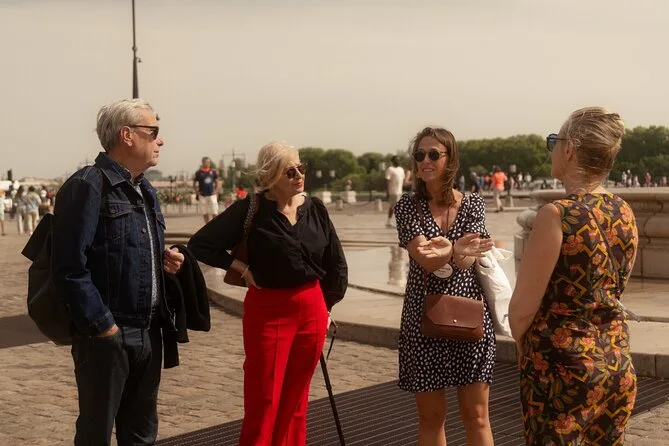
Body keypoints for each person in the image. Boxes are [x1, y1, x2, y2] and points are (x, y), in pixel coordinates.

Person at [188, 142, 348, 446]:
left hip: (312, 308)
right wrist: (241, 268)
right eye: (290, 171)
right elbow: (200, 245)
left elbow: (335, 264)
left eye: (301, 168)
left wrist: (326, 307)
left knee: (296, 401)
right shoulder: (252, 209)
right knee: (264, 399)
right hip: (268, 311)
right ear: (270, 176)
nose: (299, 175)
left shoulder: (315, 208)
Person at [51, 99, 184, 445]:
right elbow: (68, 267)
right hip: (108, 335)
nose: (160, 140)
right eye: (153, 131)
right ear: (127, 135)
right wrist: (104, 327)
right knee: (96, 434)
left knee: (141, 434)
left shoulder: (146, 190)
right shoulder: (88, 185)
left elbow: (126, 249)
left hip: (149, 331)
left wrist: (163, 260)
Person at [509, 107, 639, 445]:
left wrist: (523, 342)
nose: (551, 148)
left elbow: (522, 308)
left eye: (554, 140)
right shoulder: (624, 211)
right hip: (615, 361)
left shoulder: (556, 215)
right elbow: (614, 289)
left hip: (563, 370)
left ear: (569, 149)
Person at [393, 126, 495, 446]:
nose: (425, 160)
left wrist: (453, 253)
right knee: (431, 417)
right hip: (423, 320)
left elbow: (467, 260)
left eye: (433, 154)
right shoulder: (407, 207)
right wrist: (455, 249)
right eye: (419, 154)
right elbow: (426, 259)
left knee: (477, 417)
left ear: (449, 159)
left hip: (470, 316)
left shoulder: (473, 203)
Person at [193, 156, 220, 223]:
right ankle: (207, 226)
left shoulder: (213, 172)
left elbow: (217, 182)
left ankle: (216, 225)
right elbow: (194, 183)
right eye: (206, 162)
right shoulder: (198, 172)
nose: (208, 163)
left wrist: (216, 191)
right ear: (203, 163)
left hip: (212, 195)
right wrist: (197, 191)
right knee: (205, 213)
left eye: (209, 162)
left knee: (215, 212)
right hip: (202, 195)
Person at [385, 155, 405, 227]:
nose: (398, 161)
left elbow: (402, 180)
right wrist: (387, 191)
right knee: (394, 207)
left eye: (399, 160)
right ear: (393, 161)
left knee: (396, 207)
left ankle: (391, 221)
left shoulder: (401, 169)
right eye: (396, 160)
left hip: (399, 191)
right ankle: (390, 221)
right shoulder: (390, 169)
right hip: (393, 191)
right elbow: (387, 180)